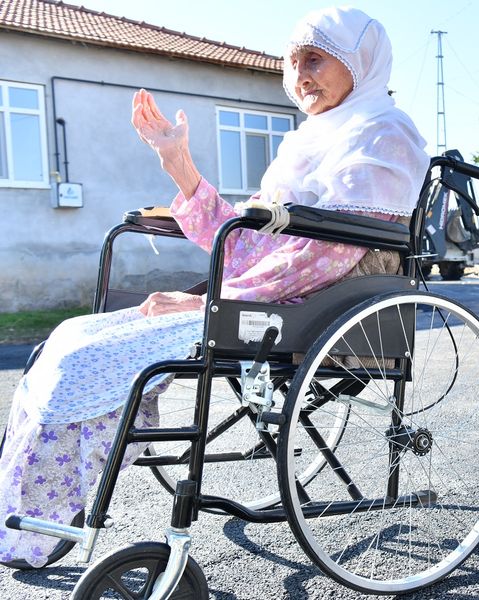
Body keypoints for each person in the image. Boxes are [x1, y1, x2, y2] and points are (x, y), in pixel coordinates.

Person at [0, 6, 429, 566]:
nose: (299, 74)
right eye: (293, 60)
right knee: (70, 338)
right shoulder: (309, 142)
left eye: (316, 58)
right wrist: (177, 159)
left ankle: (47, 519)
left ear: (360, 62)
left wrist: (210, 301)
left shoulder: (384, 133)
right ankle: (29, 515)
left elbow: (327, 253)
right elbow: (248, 242)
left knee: (92, 361)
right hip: (272, 300)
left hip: (305, 307)